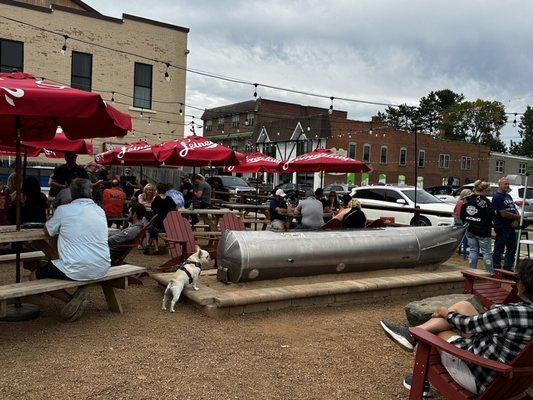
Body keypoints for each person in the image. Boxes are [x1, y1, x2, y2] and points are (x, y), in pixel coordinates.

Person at [380, 258, 533, 396]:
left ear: (523, 285)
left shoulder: (509, 313)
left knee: (438, 334)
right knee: (464, 306)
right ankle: (411, 335)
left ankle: (420, 377)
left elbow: (468, 325)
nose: (515, 282)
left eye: (517, 278)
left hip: (483, 377)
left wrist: (446, 313)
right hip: (513, 381)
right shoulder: (516, 312)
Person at [30, 178, 111, 322]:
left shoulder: (63, 210)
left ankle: (70, 299)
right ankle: (77, 296)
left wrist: (63, 212)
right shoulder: (100, 210)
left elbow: (47, 231)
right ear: (90, 193)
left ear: (71, 193)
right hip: (102, 266)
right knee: (69, 263)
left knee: (34, 276)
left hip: (74, 268)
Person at [460, 180, 495, 275]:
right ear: (484, 190)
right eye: (488, 190)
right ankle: (490, 273)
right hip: (483, 230)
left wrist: (467, 222)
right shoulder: (486, 201)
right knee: (486, 252)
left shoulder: (467, 199)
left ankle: (472, 272)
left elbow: (461, 215)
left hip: (470, 228)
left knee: (473, 250)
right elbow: (491, 215)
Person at [492, 176, 521, 271]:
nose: (507, 186)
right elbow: (503, 213)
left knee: (512, 248)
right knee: (499, 248)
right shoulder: (497, 197)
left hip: (511, 226)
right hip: (502, 226)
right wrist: (517, 217)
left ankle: (507, 268)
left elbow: (514, 209)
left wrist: (517, 219)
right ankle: (496, 268)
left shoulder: (508, 196)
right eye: (505, 184)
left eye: (508, 184)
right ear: (499, 185)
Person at [145, 182, 176, 255]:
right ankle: (152, 248)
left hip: (159, 222)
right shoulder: (169, 198)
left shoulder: (157, 198)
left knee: (151, 229)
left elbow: (153, 208)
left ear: (157, 190)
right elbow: (174, 207)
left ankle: (153, 247)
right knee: (152, 228)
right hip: (168, 223)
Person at [454, 188, 472, 258]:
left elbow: (455, 211)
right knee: (465, 236)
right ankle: (464, 253)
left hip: (457, 220)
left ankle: (460, 251)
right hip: (462, 220)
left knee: (460, 237)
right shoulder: (464, 203)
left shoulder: (459, 202)